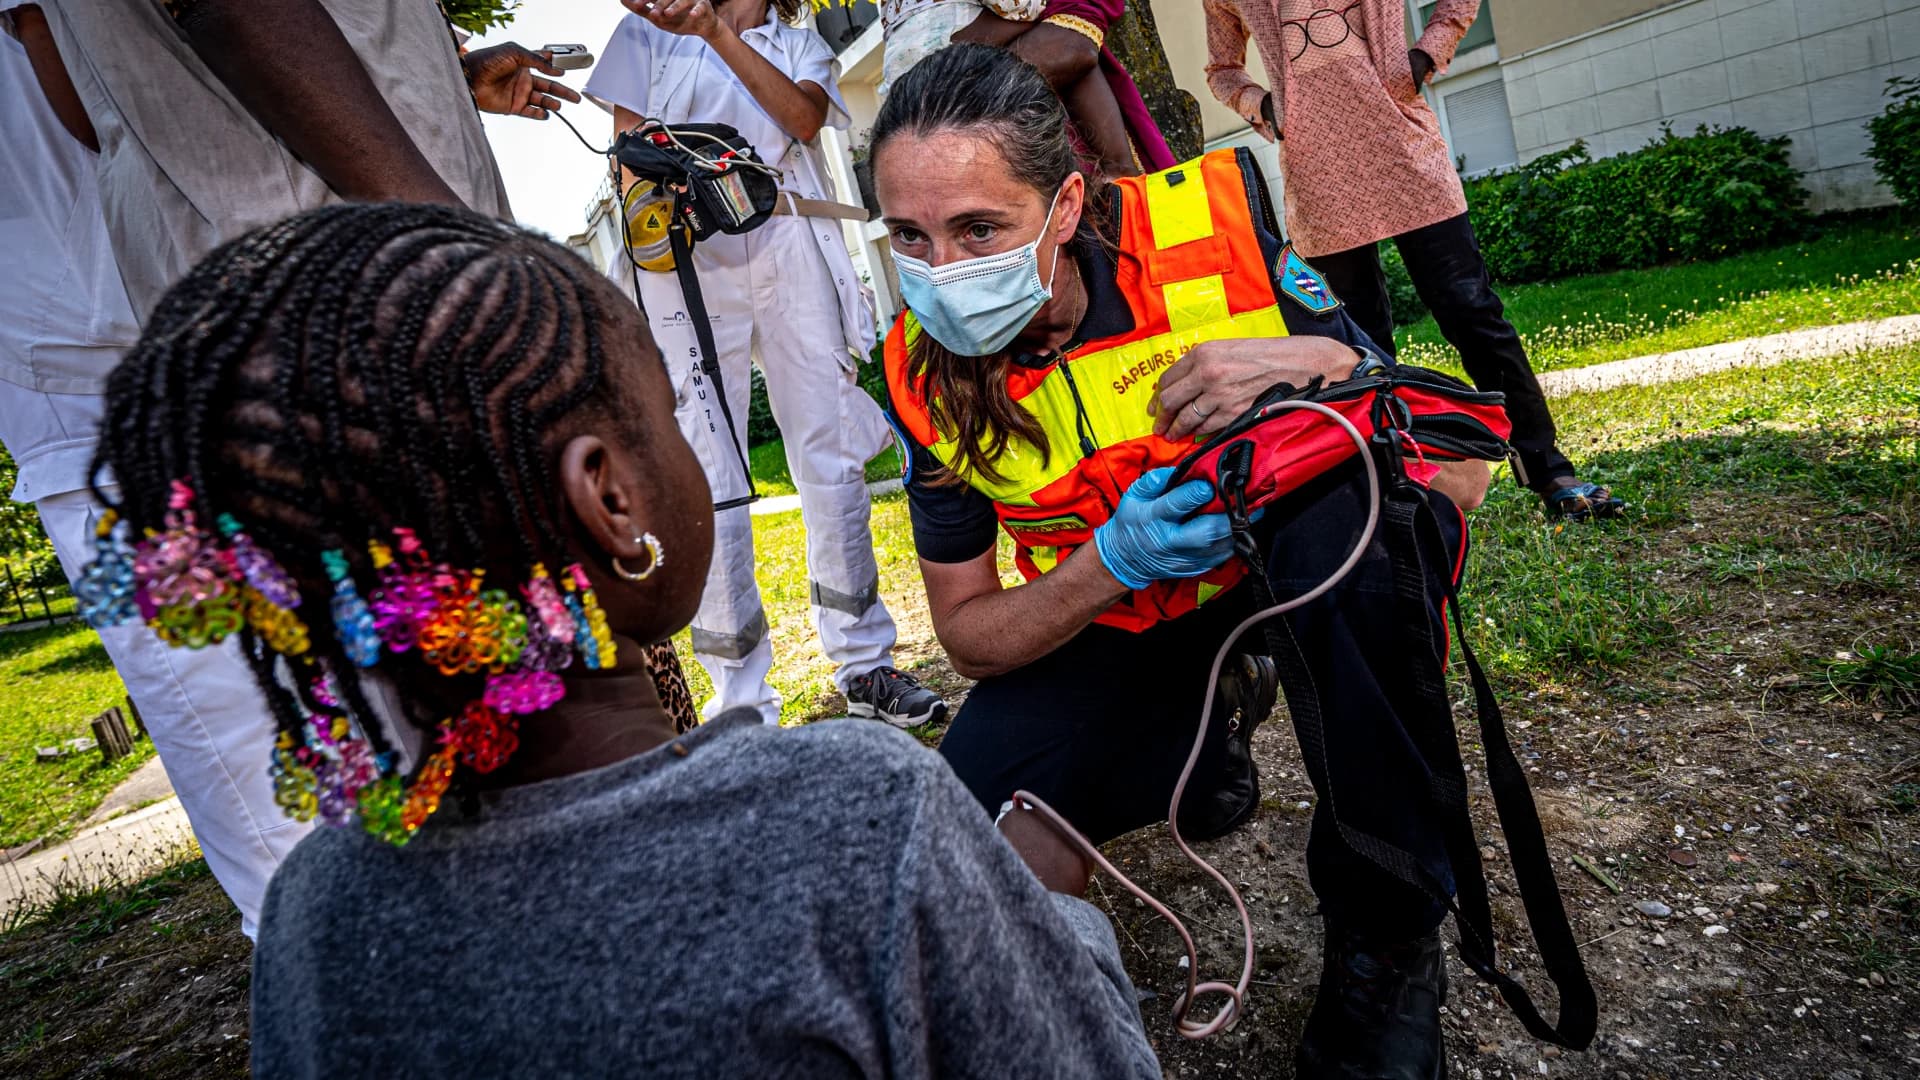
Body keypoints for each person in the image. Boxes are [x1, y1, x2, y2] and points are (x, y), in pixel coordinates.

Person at [85, 202, 1163, 1078]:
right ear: (610, 500)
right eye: (671, 410)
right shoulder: (858, 814)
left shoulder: (318, 911)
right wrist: (1051, 916)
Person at [873, 45, 1498, 1076]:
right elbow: (971, 637)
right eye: (909, 234)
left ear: (1065, 206)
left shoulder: (1210, 234)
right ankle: (1206, 729)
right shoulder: (918, 373)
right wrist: (1113, 562)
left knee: (1354, 519)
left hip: (1287, 578)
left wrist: (1327, 362)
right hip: (1124, 613)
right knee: (963, 846)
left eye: (978, 229)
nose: (941, 270)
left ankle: (1388, 937)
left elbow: (1458, 467)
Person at [21, 0, 692, 937]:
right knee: (512, 718)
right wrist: (479, 252)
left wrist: (431, 81)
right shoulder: (847, 807)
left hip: (294, 282)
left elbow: (94, 101)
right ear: (608, 499)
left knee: (440, 733)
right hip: (372, 289)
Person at [587, 0, 947, 728]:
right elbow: (627, 155)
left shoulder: (799, 44)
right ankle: (741, 696)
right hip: (685, 257)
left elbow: (804, 120)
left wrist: (716, 33)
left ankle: (865, 662)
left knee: (830, 452)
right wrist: (651, 236)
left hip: (788, 236)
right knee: (708, 469)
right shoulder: (645, 34)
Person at [1203, 0, 1625, 520]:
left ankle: (1549, 470)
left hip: (1404, 141)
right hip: (1317, 170)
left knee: (1472, 312)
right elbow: (1222, 69)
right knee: (1356, 344)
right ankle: (1393, 488)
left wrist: (1426, 55)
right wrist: (1265, 107)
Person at [880, 0, 1172, 178]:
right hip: (955, 41)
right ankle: (1121, 173)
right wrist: (1043, 13)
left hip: (905, 73)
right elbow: (1019, 7)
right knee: (1070, 34)